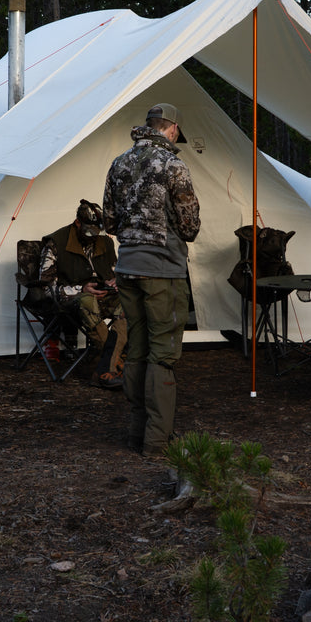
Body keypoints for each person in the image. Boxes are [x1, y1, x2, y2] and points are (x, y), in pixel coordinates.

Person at [102, 103, 201, 457]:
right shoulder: (173, 165)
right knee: (163, 354)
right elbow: (190, 226)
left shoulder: (119, 163)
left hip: (127, 267)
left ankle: (136, 431)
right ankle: (157, 440)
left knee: (138, 348)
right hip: (163, 271)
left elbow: (110, 222)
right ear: (171, 129)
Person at [39, 199, 127, 389]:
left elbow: (114, 271)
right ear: (77, 223)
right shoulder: (56, 242)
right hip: (71, 302)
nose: (93, 237)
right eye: (89, 232)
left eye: (96, 232)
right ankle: (115, 364)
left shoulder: (105, 242)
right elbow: (45, 288)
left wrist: (116, 282)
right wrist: (81, 289)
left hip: (103, 297)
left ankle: (109, 367)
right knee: (87, 300)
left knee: (130, 301)